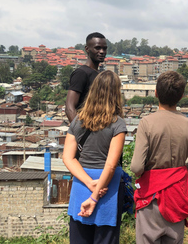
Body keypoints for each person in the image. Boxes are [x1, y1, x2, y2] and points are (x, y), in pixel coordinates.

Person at [131, 71, 188, 244]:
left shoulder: (147, 123)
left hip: (150, 195)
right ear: (181, 96)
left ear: (156, 92)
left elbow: (136, 167)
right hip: (177, 197)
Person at [62, 70, 127, 244]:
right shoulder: (118, 124)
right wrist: (95, 195)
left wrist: (89, 183)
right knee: (106, 238)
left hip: (82, 182)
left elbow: (68, 158)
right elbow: (111, 165)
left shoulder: (77, 121)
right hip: (108, 187)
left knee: (79, 237)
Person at [65, 32, 107, 122]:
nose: (102, 52)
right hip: (86, 130)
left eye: (104, 48)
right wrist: (79, 131)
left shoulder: (99, 75)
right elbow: (69, 107)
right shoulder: (81, 73)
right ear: (87, 49)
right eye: (97, 48)